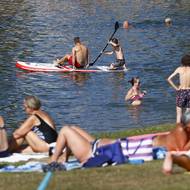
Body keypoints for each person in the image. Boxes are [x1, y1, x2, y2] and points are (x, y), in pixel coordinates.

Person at [167, 54, 190, 123]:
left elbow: (169, 79)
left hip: (181, 92)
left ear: (182, 62)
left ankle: (178, 128)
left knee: (179, 114)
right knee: (188, 113)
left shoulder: (179, 69)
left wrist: (176, 88)